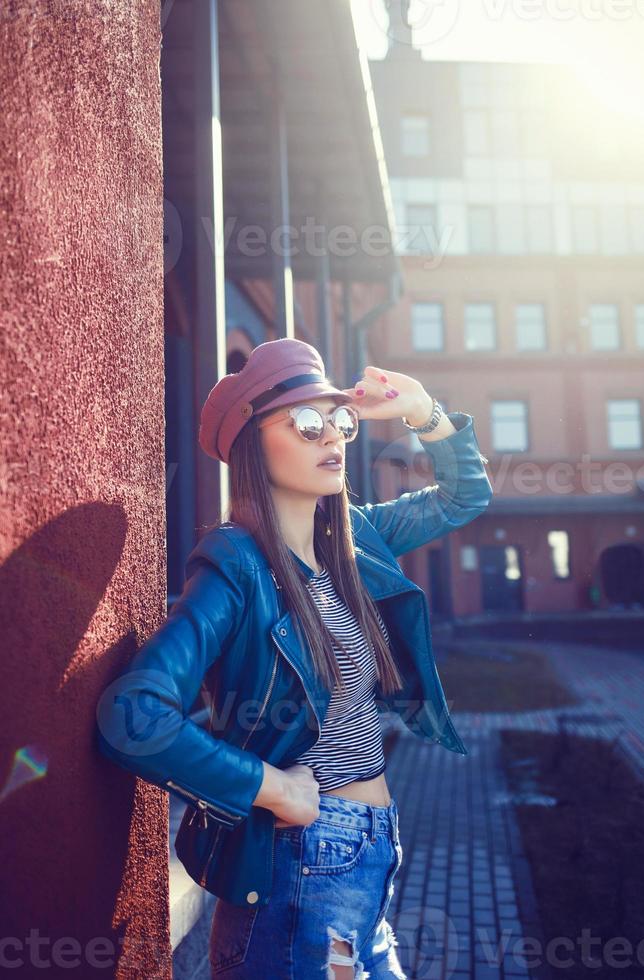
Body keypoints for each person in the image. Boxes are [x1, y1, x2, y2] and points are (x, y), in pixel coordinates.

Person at [96, 338, 493, 979]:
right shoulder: (235, 567)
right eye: (307, 423)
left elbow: (462, 499)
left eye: (341, 421)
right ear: (253, 444)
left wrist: (423, 412)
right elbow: (133, 714)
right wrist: (273, 787)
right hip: (300, 868)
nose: (331, 437)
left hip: (369, 860)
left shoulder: (353, 538)